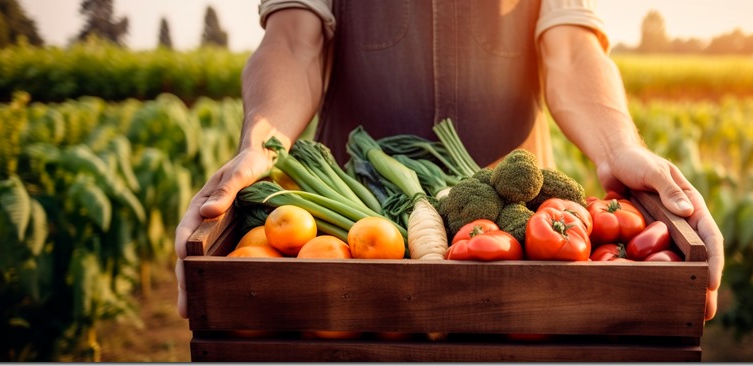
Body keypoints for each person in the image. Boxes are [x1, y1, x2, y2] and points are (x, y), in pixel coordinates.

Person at [174, 0, 724, 321]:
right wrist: (261, 141)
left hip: (521, 232)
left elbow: (572, 48)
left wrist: (619, 147)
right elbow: (294, 40)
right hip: (355, 224)